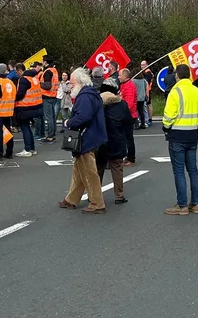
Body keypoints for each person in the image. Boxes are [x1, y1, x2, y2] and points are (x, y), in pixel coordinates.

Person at [59, 67, 107, 213]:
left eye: (72, 83)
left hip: (86, 138)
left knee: (88, 172)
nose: (70, 85)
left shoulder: (85, 97)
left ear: (80, 82)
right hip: (91, 136)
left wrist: (69, 123)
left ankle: (97, 203)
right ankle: (71, 199)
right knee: (79, 170)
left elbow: (84, 117)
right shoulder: (89, 94)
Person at [162, 64, 198, 216]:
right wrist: (195, 122)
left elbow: (169, 115)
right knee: (193, 169)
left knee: (179, 171)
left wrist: (166, 127)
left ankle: (182, 205)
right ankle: (195, 204)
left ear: (177, 76)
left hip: (177, 134)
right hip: (192, 133)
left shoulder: (175, 92)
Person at [96, 77, 133, 206]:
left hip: (99, 141)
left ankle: (95, 196)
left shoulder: (96, 103)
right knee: (117, 168)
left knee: (98, 168)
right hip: (117, 140)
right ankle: (119, 195)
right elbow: (128, 121)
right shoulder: (121, 104)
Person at [13, 63, 42, 157]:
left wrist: (13, 98)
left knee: (25, 127)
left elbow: (20, 94)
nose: (16, 74)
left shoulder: (23, 79)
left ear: (20, 70)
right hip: (35, 106)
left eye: (16, 71)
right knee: (28, 128)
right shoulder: (34, 77)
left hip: (24, 106)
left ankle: (27, 149)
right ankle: (32, 148)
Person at [118, 68, 138, 164]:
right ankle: (127, 155)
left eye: (120, 75)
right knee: (125, 137)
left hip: (129, 115)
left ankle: (131, 157)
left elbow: (129, 104)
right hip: (125, 115)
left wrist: (120, 112)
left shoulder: (129, 86)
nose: (118, 77)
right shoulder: (124, 85)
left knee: (128, 138)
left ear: (125, 76)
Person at [39, 57, 61, 143]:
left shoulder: (47, 72)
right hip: (53, 96)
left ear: (45, 62)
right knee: (51, 117)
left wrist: (39, 83)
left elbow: (47, 86)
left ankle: (50, 136)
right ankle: (52, 134)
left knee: (49, 117)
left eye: (42, 61)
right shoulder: (54, 70)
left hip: (47, 96)